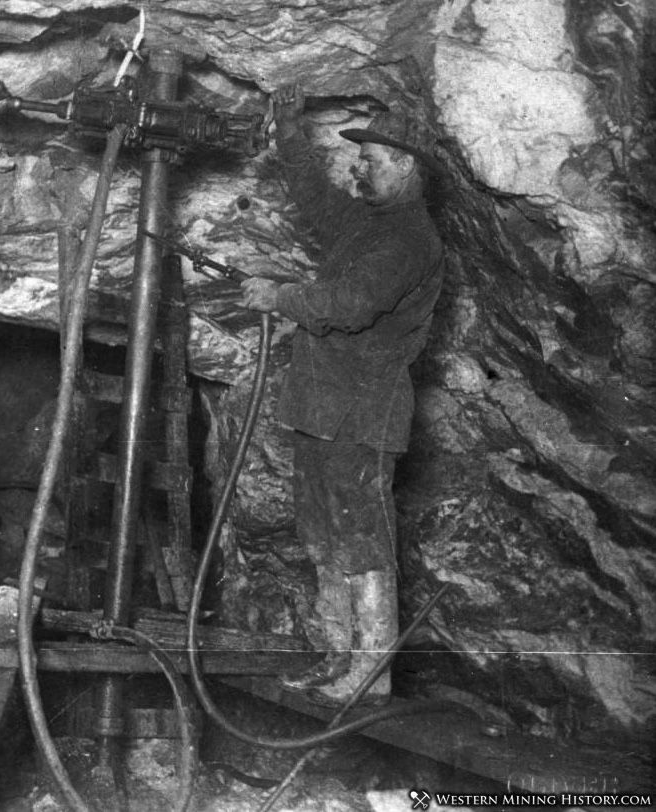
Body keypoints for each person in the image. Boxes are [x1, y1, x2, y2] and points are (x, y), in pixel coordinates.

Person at [240, 84, 446, 705]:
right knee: (321, 534)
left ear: (407, 165)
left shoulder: (409, 240)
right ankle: (338, 658)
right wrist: (287, 132)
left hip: (363, 411)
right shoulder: (367, 220)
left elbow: (351, 306)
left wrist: (279, 297)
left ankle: (372, 672)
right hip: (322, 405)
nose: (358, 166)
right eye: (359, 157)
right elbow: (311, 195)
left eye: (371, 159)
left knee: (362, 537)